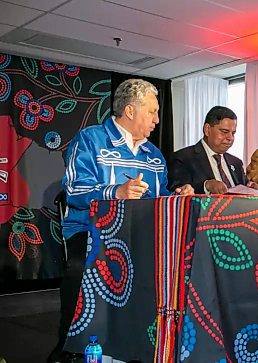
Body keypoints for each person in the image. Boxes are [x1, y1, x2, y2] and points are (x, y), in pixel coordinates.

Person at [48, 79, 193, 363]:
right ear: (130, 110)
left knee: (180, 265)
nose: (157, 119)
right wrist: (116, 192)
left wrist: (177, 196)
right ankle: (70, 349)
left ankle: (144, 342)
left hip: (141, 235)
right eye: (152, 111)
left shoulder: (154, 155)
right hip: (91, 232)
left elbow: (159, 197)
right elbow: (75, 191)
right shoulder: (91, 140)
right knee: (81, 268)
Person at [168, 106, 247, 194]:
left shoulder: (236, 163)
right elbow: (178, 191)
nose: (230, 138)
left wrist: (250, 188)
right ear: (207, 129)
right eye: (224, 132)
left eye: (233, 133)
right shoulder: (183, 158)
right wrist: (206, 186)